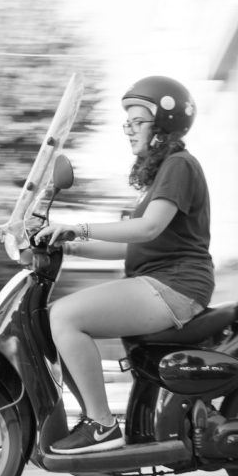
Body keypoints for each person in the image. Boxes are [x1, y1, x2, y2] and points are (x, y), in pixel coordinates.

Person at [35, 75, 214, 454]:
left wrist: (78, 227)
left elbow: (147, 228)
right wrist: (67, 245)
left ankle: (102, 426)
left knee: (65, 316)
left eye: (137, 122)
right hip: (158, 281)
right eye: (127, 123)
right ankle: (94, 422)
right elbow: (130, 247)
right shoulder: (163, 174)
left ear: (163, 124)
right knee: (55, 318)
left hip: (176, 286)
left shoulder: (180, 165)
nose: (128, 130)